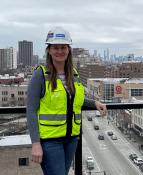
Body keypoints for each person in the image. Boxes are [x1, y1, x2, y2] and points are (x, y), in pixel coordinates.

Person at [27, 26, 107, 175]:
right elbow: (31, 110)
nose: (59, 51)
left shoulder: (74, 74)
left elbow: (74, 100)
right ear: (49, 50)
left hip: (71, 139)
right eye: (55, 47)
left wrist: (94, 103)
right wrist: (36, 143)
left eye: (63, 47)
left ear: (68, 49)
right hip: (50, 141)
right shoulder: (40, 75)